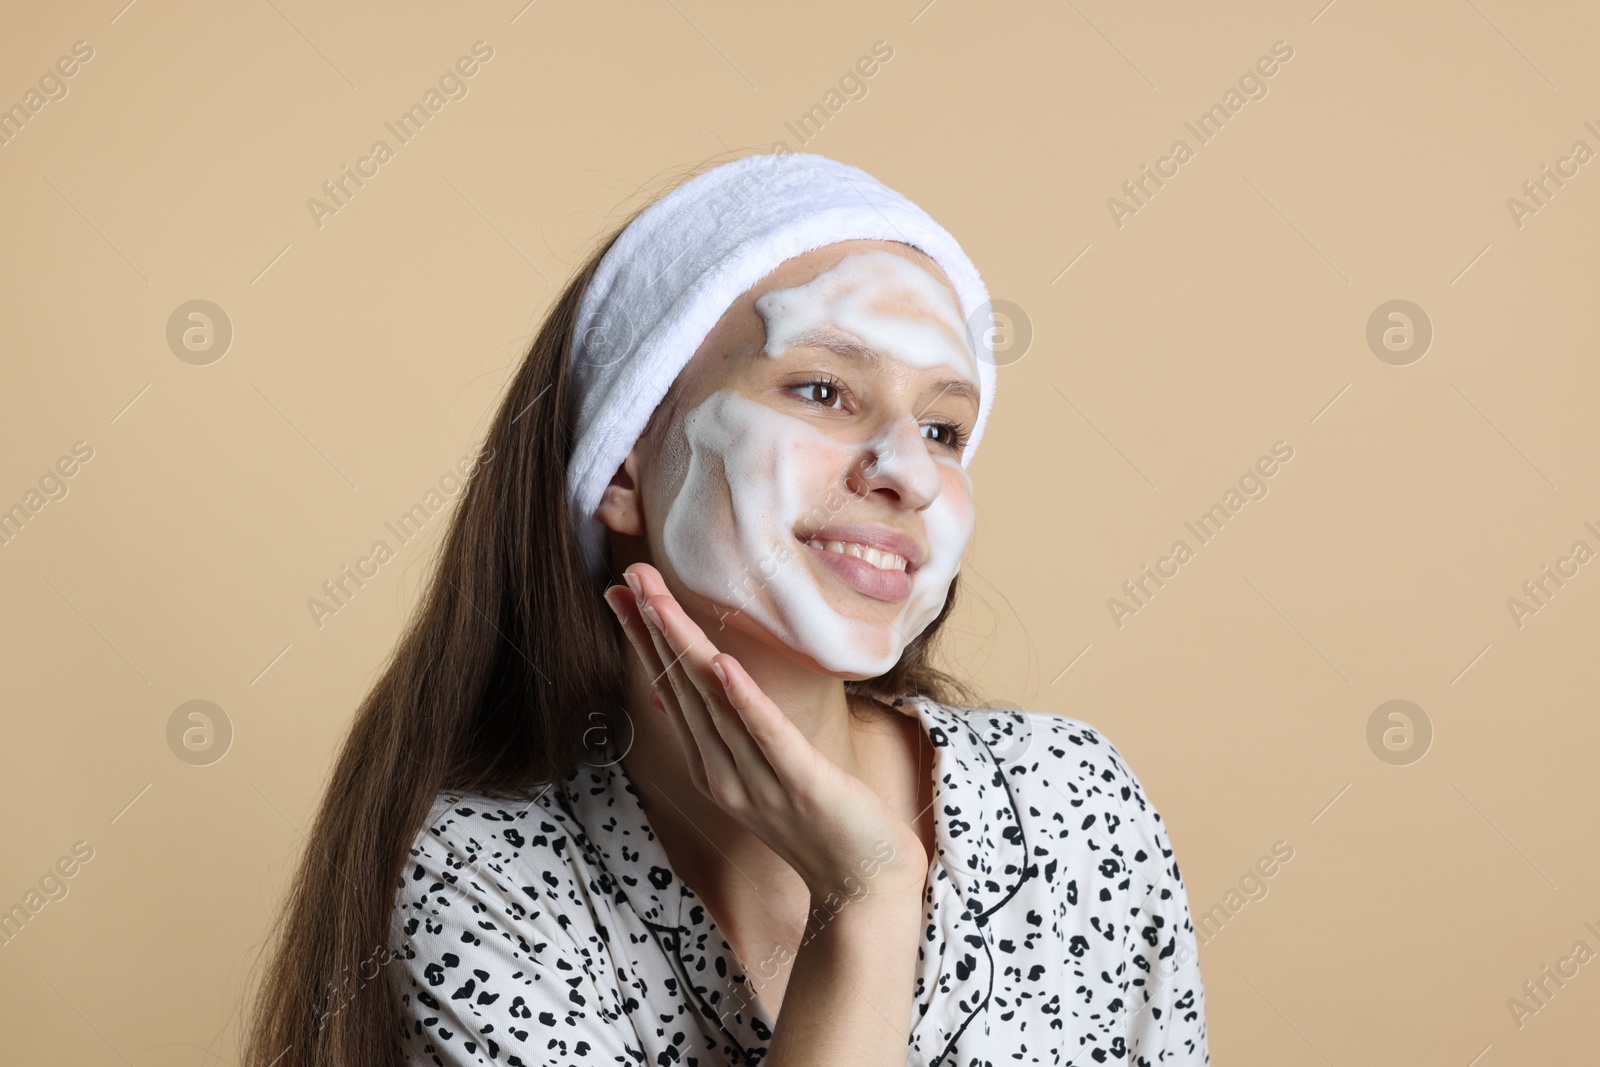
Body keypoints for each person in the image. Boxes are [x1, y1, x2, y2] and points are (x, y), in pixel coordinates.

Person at [243, 152, 1208, 1067]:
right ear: (625, 458)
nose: (910, 473)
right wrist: (865, 905)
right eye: (826, 390)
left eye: (945, 428)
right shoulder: (489, 883)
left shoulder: (1073, 809)